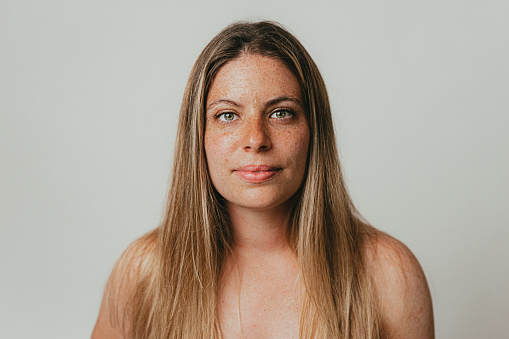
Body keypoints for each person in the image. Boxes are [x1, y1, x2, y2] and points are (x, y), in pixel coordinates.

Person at [91, 21, 434, 338]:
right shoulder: (142, 272)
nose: (256, 138)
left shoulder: (387, 274)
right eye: (227, 115)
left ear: (314, 130)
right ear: (199, 135)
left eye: (281, 113)